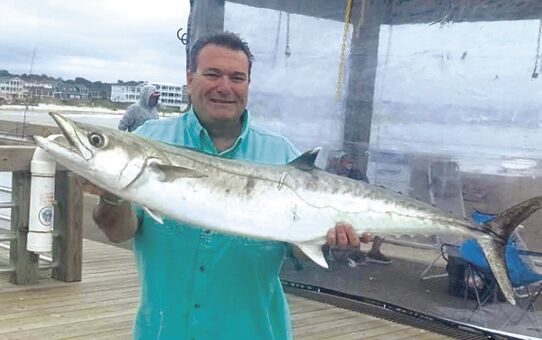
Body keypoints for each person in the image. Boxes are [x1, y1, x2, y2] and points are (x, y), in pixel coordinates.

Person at [84, 32, 366, 339]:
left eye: (237, 77)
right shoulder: (149, 140)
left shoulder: (281, 154)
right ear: (190, 79)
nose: (225, 87)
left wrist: (329, 238)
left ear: (247, 85)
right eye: (213, 74)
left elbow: (298, 251)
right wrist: (112, 194)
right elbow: (118, 231)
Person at [325, 152, 392, 265]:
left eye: (350, 160)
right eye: (344, 160)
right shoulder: (329, 172)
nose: (348, 163)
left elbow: (365, 187)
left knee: (383, 220)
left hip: (355, 208)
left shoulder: (356, 173)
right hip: (334, 208)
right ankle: (328, 251)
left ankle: (374, 252)